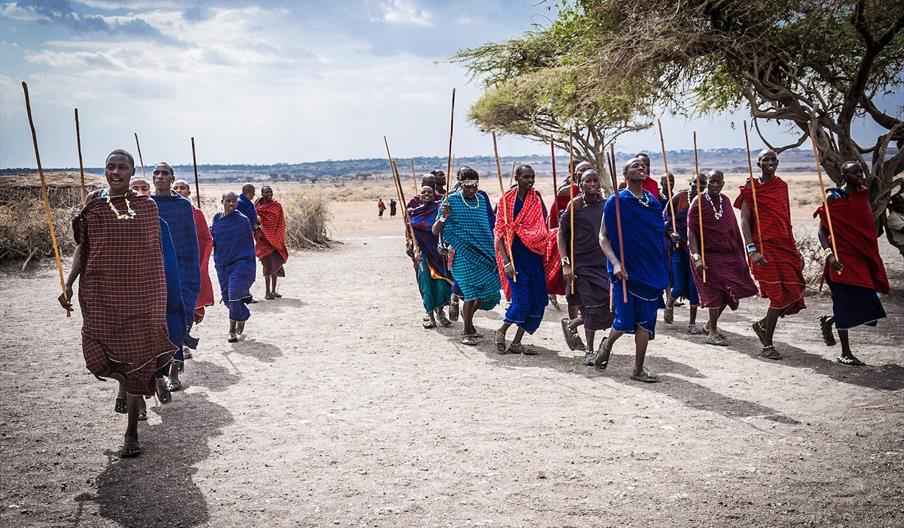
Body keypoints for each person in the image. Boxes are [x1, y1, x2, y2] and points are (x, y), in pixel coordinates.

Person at [58, 149, 177, 458]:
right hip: (103, 295)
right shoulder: (94, 208)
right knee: (98, 358)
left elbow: (154, 258)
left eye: (121, 167)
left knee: (137, 357)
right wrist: (68, 283)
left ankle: (131, 433)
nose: (115, 171)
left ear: (131, 170)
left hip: (141, 296)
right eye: (110, 166)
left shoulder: (147, 208)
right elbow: (84, 248)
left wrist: (158, 297)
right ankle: (128, 382)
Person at [595, 157, 669, 383]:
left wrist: (668, 235)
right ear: (625, 174)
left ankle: (638, 369)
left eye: (643, 166)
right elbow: (603, 237)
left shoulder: (653, 202)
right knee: (624, 320)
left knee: (645, 322)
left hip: (651, 270)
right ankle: (607, 344)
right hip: (626, 271)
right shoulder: (616, 201)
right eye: (635, 166)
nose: (641, 168)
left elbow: (656, 232)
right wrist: (616, 263)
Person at [815, 161, 889, 366]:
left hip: (860, 258)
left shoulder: (863, 195)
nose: (860, 175)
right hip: (839, 260)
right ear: (843, 175)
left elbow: (864, 227)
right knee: (843, 303)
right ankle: (845, 352)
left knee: (869, 301)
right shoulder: (834, 197)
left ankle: (831, 320)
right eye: (854, 172)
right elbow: (822, 231)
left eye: (861, 172)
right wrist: (830, 256)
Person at [734, 149, 806, 360]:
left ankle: (762, 325)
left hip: (785, 245)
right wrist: (751, 249)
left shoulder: (781, 186)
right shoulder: (752, 188)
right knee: (777, 295)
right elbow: (745, 221)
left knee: (793, 289)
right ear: (758, 163)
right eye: (765, 159)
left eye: (773, 159)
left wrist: (795, 248)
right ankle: (768, 345)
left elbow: (786, 218)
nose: (770, 162)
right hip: (762, 248)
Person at [129, 177, 185, 418]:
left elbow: (169, 262)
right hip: (124, 295)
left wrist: (170, 297)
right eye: (135, 188)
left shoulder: (158, 223)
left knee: (157, 340)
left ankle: (158, 377)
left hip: (153, 293)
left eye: (145, 189)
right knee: (130, 349)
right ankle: (138, 400)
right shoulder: (111, 221)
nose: (140, 193)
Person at [687, 170, 759, 346]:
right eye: (712, 181)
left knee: (730, 291)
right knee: (715, 293)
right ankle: (712, 333)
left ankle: (707, 326)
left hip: (728, 254)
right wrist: (696, 258)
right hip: (708, 256)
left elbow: (732, 229)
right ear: (707, 182)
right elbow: (691, 232)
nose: (715, 185)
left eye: (718, 182)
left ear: (723, 183)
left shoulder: (725, 200)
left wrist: (741, 254)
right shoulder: (698, 201)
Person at [433, 167, 501, 345]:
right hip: (462, 254)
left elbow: (486, 227)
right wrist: (443, 216)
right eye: (468, 186)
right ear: (460, 184)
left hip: (484, 253)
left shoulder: (480, 199)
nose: (472, 190)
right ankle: (465, 332)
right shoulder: (451, 201)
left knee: (490, 290)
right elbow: (435, 230)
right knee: (470, 294)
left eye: (475, 185)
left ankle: (468, 322)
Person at [151, 163, 200, 391]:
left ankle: (173, 373)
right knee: (157, 326)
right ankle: (158, 375)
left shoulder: (183, 206)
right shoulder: (147, 206)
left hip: (181, 273)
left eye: (164, 174)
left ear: (172, 179)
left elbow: (192, 243)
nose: (160, 177)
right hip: (154, 274)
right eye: (156, 173)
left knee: (177, 322)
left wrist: (191, 279)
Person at [558, 169, 613, 365]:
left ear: (600, 184)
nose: (592, 184)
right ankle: (589, 351)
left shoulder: (607, 205)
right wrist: (565, 264)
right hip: (580, 265)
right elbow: (561, 235)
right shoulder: (574, 206)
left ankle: (572, 323)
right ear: (579, 185)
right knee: (590, 308)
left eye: (595, 181)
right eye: (587, 181)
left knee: (609, 303)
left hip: (602, 263)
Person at [493, 164, 550, 354]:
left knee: (537, 301)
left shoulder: (536, 198)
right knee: (521, 301)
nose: (530, 181)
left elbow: (542, 221)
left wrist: (536, 234)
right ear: (517, 178)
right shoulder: (506, 201)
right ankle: (501, 331)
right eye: (526, 177)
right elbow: (499, 233)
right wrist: (506, 262)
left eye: (532, 177)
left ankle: (517, 342)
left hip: (534, 255)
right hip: (514, 257)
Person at [549, 160, 593, 349]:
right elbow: (555, 225)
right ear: (575, 175)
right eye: (580, 172)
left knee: (596, 296)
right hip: (571, 251)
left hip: (592, 252)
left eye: (587, 171)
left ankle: (576, 325)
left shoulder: (597, 196)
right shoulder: (565, 194)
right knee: (573, 295)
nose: (583, 174)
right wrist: (564, 259)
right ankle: (574, 331)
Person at [172, 179, 214, 350]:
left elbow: (206, 240)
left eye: (183, 188)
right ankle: (177, 345)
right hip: (171, 266)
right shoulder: (162, 210)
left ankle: (183, 343)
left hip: (191, 267)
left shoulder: (196, 214)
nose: (179, 190)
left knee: (188, 306)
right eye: (176, 188)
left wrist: (202, 265)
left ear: (189, 192)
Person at [663, 173, 706, 333]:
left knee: (694, 286)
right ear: (691, 182)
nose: (699, 186)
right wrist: (670, 233)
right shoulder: (679, 197)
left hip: (695, 250)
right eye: (696, 182)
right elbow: (666, 218)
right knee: (679, 286)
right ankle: (669, 303)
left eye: (703, 183)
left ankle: (692, 323)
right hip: (678, 248)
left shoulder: (706, 201)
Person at [211, 191, 257, 342]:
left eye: (234, 201)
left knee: (234, 293)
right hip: (222, 263)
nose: (231, 204)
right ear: (222, 201)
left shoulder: (242, 220)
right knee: (227, 298)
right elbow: (214, 236)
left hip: (240, 263)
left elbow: (248, 244)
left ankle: (231, 331)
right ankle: (241, 315)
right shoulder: (217, 218)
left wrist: (247, 263)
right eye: (228, 201)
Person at [409, 185, 453, 328]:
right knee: (426, 284)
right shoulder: (413, 213)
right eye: (423, 192)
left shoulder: (439, 208)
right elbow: (410, 235)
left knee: (443, 285)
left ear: (434, 195)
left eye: (429, 192)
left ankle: (440, 311)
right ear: (419, 196)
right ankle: (429, 314)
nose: (427, 194)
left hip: (439, 253)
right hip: (423, 254)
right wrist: (412, 250)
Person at [254, 185, 289, 300]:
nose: (269, 194)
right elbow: (254, 218)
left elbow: (281, 222)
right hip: (263, 240)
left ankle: (274, 291)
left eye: (270, 192)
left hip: (275, 239)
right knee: (268, 265)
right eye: (266, 192)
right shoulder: (257, 204)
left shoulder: (276, 206)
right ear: (262, 193)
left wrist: (276, 238)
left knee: (276, 265)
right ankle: (267, 292)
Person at [886, 194, 904, 258]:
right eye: (898, 203)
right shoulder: (893, 217)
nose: (901, 205)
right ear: (893, 205)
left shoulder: (901, 214)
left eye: (902, 203)